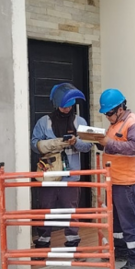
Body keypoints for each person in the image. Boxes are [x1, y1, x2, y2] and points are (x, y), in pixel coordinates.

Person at [31, 83, 92, 253]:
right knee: (45, 207)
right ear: (57, 104)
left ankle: (72, 242)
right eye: (64, 105)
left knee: (70, 209)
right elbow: (34, 144)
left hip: (71, 176)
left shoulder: (80, 122)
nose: (67, 109)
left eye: (70, 105)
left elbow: (88, 146)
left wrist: (76, 142)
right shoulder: (44, 122)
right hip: (49, 174)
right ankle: (43, 241)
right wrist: (51, 144)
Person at [97, 88, 135, 269]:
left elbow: (133, 148)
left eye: (109, 112)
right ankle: (121, 251)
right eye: (105, 114)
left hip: (128, 182)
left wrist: (107, 142)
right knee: (117, 221)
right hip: (116, 180)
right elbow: (113, 145)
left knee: (129, 221)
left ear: (120, 108)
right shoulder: (116, 123)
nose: (107, 116)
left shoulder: (134, 124)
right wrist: (99, 141)